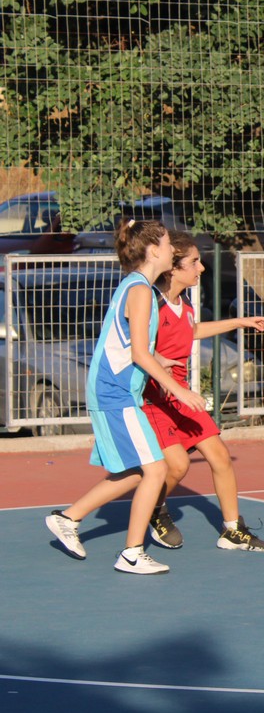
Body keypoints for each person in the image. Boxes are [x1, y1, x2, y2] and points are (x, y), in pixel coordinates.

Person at [44, 219, 208, 574]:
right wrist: (179, 389)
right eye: (167, 243)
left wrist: (159, 359)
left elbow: (131, 343)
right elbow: (138, 354)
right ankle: (132, 553)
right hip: (114, 392)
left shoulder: (138, 287)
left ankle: (68, 518)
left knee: (139, 470)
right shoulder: (140, 290)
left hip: (118, 391)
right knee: (156, 469)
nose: (172, 249)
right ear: (152, 251)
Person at [138, 230, 264, 552]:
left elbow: (192, 331)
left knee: (220, 456)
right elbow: (136, 347)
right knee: (177, 466)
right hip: (154, 399)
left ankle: (232, 530)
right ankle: (154, 508)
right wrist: (160, 366)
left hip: (182, 395)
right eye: (195, 262)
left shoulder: (184, 303)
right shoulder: (150, 303)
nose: (202, 268)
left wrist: (238, 322)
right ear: (174, 268)